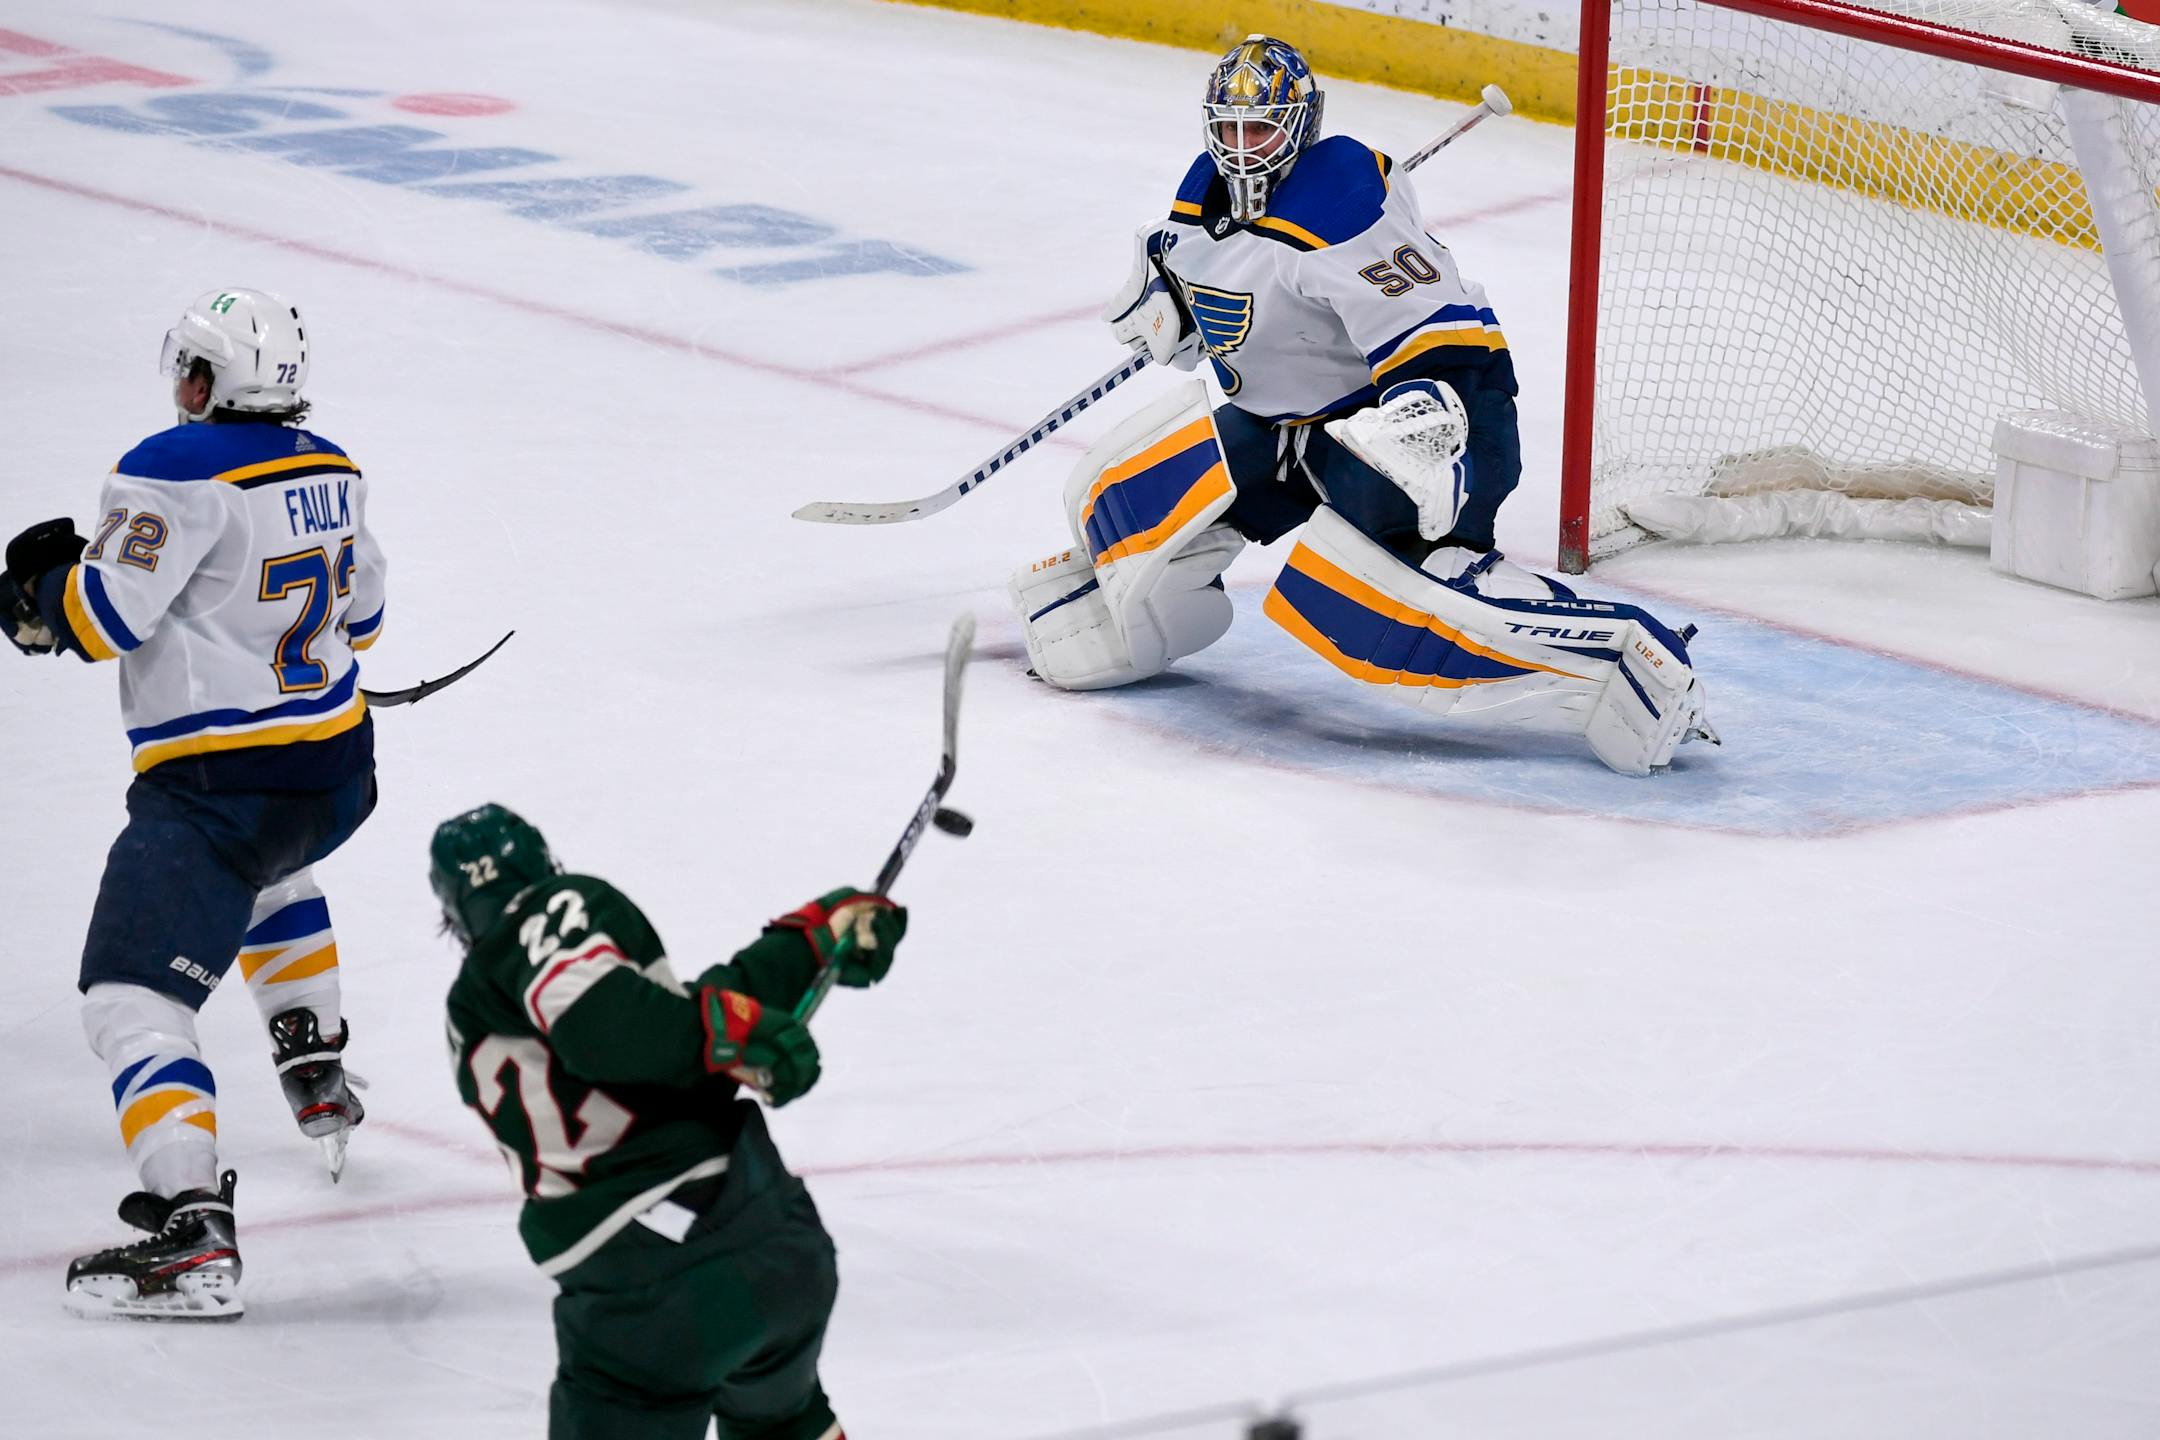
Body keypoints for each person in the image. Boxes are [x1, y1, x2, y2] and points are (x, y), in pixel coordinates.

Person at [1010, 36, 1716, 775]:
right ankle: (1118, 623)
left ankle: (1625, 666)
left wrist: (1420, 421)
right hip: (1294, 423)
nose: (1243, 149)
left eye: (1261, 129)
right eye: (1230, 129)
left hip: (1433, 421)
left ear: (1302, 124)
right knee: (1140, 495)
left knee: (1370, 605)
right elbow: (1239, 306)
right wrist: (1179, 310)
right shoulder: (1201, 202)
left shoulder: (1342, 199)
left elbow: (1433, 328)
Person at [2, 287, 382, 1320]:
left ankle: (190, 1233)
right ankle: (312, 1051)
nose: (179, 386)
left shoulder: (170, 468)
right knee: (269, 865)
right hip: (339, 774)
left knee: (131, 1000)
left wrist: (35, 597)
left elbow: (101, 619)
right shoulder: (333, 466)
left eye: (189, 369)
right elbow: (371, 614)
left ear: (209, 381)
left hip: (223, 790)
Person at [432, 803, 903, 1440]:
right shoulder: (555, 963)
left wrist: (801, 949)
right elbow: (662, 1033)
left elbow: (627, 1026)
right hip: (775, 1242)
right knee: (785, 1423)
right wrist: (787, 969)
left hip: (645, 1287)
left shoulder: (487, 994)